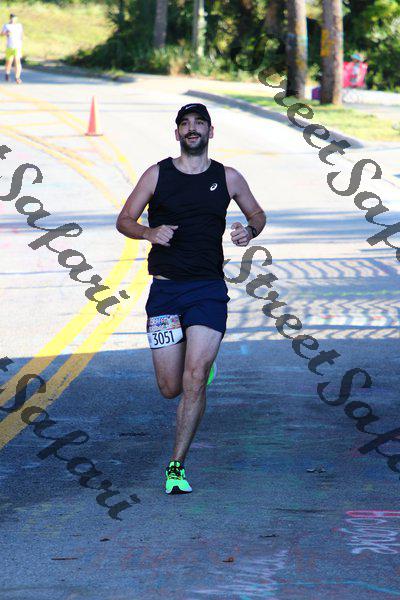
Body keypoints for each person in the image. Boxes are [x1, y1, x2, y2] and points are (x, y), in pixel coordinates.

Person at [116, 102, 266, 494]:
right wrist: (148, 233)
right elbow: (124, 220)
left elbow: (257, 214)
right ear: (177, 133)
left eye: (200, 122)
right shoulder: (157, 174)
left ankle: (176, 467)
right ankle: (196, 369)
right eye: (185, 123)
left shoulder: (228, 177)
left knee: (194, 377)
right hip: (165, 291)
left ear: (211, 132)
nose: (192, 128)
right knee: (170, 387)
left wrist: (249, 231)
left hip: (207, 290)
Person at [1, 13, 23, 84]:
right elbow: (1, 34)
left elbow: (21, 35)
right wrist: (6, 33)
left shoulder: (19, 26)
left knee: (17, 61)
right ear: (10, 18)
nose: (13, 20)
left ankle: (17, 77)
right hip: (9, 47)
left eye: (14, 18)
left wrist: (21, 44)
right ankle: (7, 74)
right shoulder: (6, 25)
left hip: (17, 46)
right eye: (12, 18)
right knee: (9, 62)